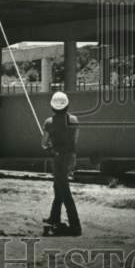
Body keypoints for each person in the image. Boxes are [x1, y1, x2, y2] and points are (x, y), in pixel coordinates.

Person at [42, 91, 81, 236]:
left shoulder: (49, 122)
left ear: (52, 107)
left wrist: (50, 144)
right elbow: (75, 141)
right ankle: (54, 217)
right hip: (70, 158)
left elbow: (43, 144)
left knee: (64, 190)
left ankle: (75, 225)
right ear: (67, 105)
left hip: (58, 159)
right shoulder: (74, 120)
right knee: (58, 186)